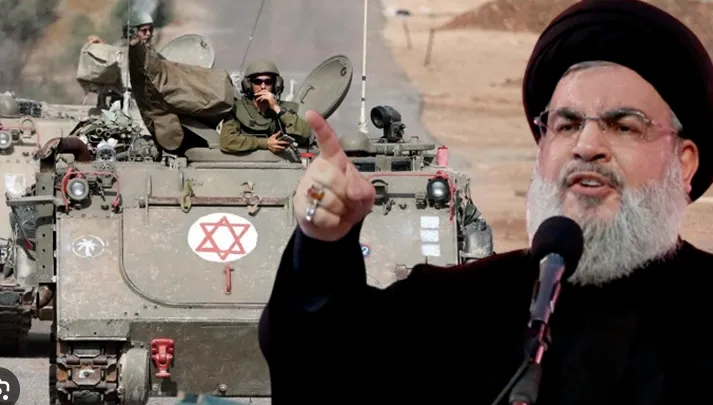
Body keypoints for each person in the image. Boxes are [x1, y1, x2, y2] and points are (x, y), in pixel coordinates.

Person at [257, 0, 713, 403]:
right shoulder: (457, 308)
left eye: (624, 126)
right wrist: (323, 246)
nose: (587, 146)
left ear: (685, 161)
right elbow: (324, 369)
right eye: (567, 125)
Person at [219, 60, 312, 155]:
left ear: (276, 85)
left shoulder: (285, 109)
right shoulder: (238, 108)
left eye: (268, 82)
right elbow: (227, 141)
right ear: (248, 85)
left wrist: (276, 108)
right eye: (257, 82)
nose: (263, 86)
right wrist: (265, 143)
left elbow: (306, 134)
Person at [87, 9, 155, 46]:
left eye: (150, 30)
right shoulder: (125, 47)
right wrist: (100, 46)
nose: (148, 33)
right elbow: (113, 52)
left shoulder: (154, 48)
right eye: (144, 30)